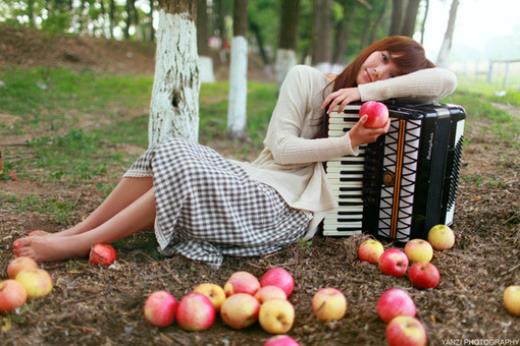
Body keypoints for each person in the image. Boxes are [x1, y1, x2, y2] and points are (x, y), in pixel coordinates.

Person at [13, 36, 457, 269]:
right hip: (261, 176)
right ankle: (78, 230)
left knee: (188, 171)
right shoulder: (307, 80)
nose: (377, 69)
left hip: (289, 209)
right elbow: (281, 150)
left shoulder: (388, 104)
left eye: (391, 71)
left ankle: (78, 246)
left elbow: (446, 82)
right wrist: (348, 140)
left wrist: (372, 93)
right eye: (380, 58)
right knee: (172, 149)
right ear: (370, 51)